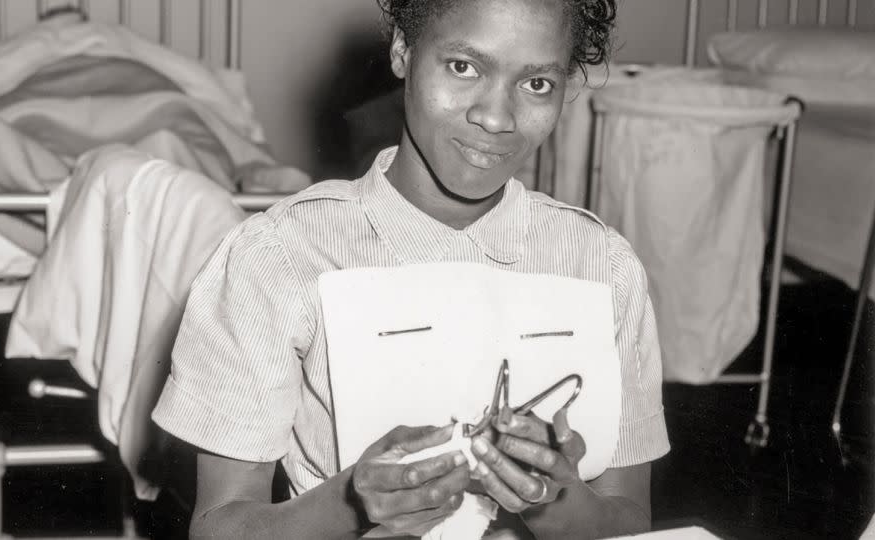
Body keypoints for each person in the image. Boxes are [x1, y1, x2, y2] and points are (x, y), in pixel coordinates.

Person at [152, 0, 669, 537]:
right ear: (403, 49)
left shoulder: (603, 267)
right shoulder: (279, 256)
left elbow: (629, 519)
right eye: (463, 67)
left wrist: (555, 502)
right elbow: (219, 524)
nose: (496, 117)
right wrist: (352, 503)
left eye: (537, 83)